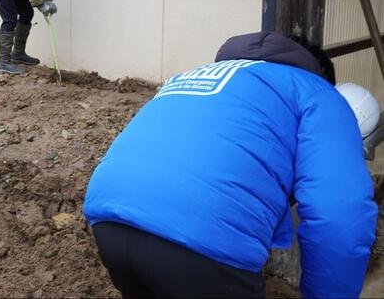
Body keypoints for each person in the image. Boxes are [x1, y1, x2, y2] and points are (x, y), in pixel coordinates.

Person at [83, 31, 378, 298]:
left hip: (110, 220)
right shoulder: (319, 93)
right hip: (201, 238)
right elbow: (339, 213)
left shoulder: (198, 74)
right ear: (321, 74)